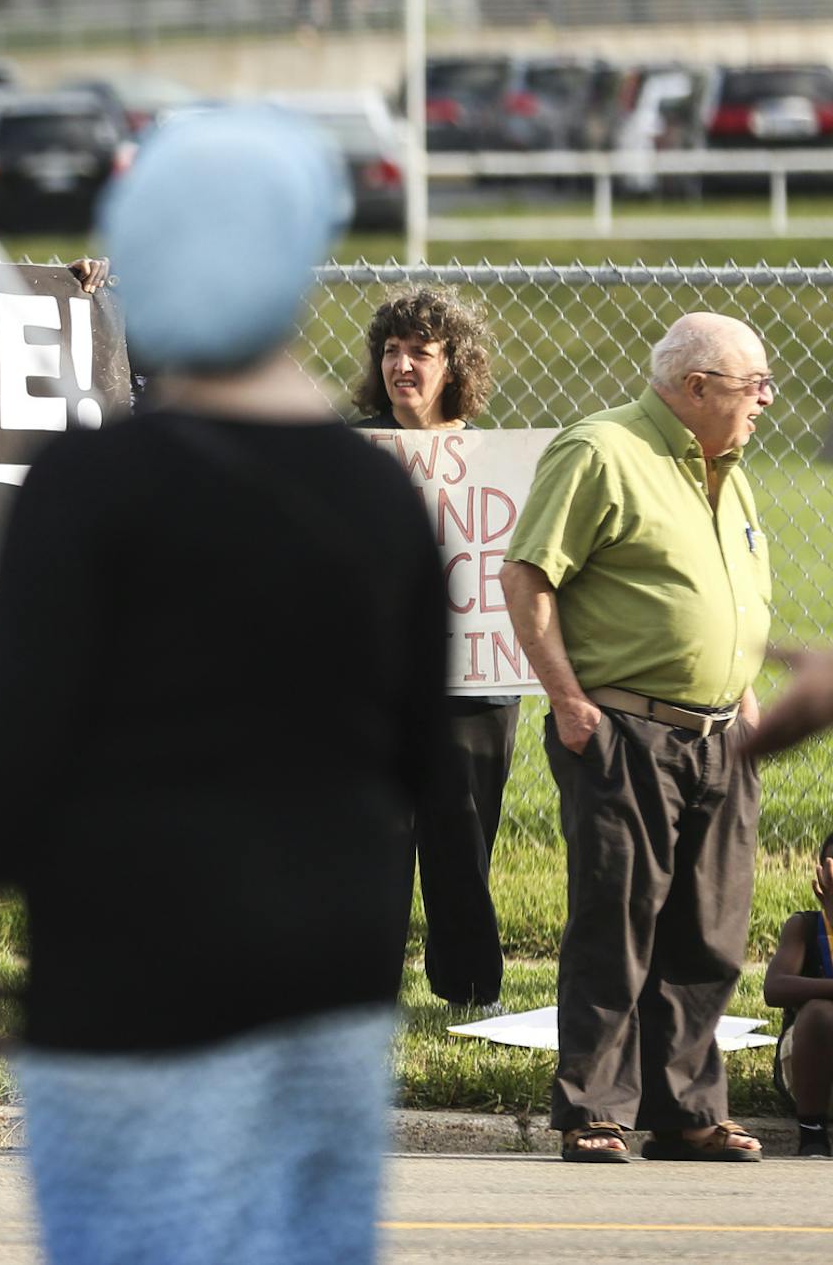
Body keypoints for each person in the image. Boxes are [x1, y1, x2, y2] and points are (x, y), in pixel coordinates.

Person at [0, 108, 447, 1265]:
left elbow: (16, 730)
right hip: (327, 969)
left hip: (121, 969)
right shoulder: (380, 498)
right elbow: (420, 751)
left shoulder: (90, 482)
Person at [500, 311, 774, 1163]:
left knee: (709, 934)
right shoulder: (603, 451)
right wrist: (570, 701)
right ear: (695, 388)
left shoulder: (729, 470)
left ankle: (687, 1110)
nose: (765, 400)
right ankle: (594, 1110)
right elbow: (528, 573)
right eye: (751, 385)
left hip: (722, 735)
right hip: (625, 730)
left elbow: (727, 597)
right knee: (617, 926)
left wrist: (745, 694)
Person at [350, 287, 516, 1009]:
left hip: (475, 681)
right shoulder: (351, 452)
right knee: (373, 843)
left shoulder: (496, 456)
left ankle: (470, 988)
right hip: (375, 687)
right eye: (391, 350)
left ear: (455, 365)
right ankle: (362, 992)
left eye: (421, 351)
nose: (402, 364)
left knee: (463, 840)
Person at [764, 832, 833, 1157]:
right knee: (820, 1012)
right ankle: (812, 1133)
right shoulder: (805, 926)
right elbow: (775, 988)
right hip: (815, 1072)